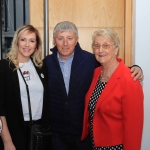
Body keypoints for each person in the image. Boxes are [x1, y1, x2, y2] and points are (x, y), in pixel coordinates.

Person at [44, 21, 144, 150]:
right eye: (60, 38)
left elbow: (116, 71)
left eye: (69, 38)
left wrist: (135, 68)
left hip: (86, 138)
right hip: (58, 135)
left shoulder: (90, 60)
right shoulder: (46, 63)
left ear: (76, 40)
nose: (65, 43)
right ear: (54, 40)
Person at [81, 28, 144, 150]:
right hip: (95, 144)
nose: (100, 50)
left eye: (106, 45)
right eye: (97, 46)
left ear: (116, 49)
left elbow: (134, 126)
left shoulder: (130, 79)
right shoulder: (97, 72)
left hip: (116, 146)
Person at [0, 25, 49, 150]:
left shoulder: (41, 67)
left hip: (39, 131)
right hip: (14, 132)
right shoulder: (4, 67)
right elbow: (0, 109)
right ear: (17, 41)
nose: (27, 44)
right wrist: (7, 142)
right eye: (23, 40)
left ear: (36, 45)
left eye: (32, 41)